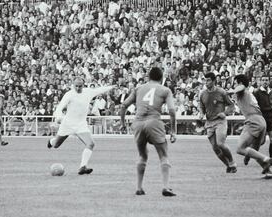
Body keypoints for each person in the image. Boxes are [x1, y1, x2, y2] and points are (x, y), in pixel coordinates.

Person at [120, 67, 177, 197]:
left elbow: (123, 106)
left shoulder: (139, 88)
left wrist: (123, 124)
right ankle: (165, 187)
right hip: (154, 121)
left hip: (138, 123)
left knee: (142, 155)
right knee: (163, 154)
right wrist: (173, 131)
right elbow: (172, 110)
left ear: (148, 77)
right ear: (161, 78)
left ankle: (139, 188)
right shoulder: (165, 90)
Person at [47, 77, 114, 175]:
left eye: (80, 86)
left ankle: (83, 167)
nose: (78, 88)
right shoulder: (69, 94)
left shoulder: (88, 92)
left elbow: (99, 90)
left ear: (84, 85)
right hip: (68, 124)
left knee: (91, 144)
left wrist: (112, 86)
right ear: (73, 85)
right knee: (56, 145)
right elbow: (59, 107)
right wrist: (58, 117)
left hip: (81, 125)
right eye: (76, 86)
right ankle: (51, 141)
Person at [233, 74, 272, 179]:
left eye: (235, 83)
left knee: (240, 148)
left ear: (240, 83)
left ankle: (266, 158)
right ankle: (269, 172)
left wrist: (227, 92)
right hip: (261, 120)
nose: (234, 85)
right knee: (253, 152)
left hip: (253, 120)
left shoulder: (242, 90)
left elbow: (241, 87)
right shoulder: (248, 93)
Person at [199, 72, 237, 173]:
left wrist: (225, 113)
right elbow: (201, 106)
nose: (206, 82)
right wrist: (201, 113)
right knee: (215, 148)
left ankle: (232, 162)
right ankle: (228, 165)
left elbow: (231, 105)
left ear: (214, 81)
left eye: (208, 80)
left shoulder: (221, 92)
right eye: (205, 80)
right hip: (209, 123)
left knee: (220, 143)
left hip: (220, 121)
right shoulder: (202, 94)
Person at [244, 74, 272, 166]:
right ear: (260, 81)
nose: (265, 82)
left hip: (271, 118)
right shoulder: (256, 92)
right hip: (261, 118)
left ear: (269, 81)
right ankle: (248, 154)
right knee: (260, 141)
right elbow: (253, 105)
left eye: (266, 80)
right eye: (263, 80)